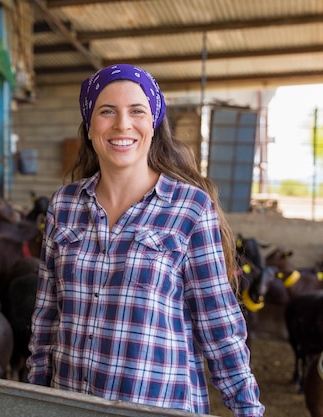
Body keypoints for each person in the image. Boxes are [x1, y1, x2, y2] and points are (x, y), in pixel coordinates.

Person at [26, 64, 265, 416]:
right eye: (107, 111)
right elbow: (46, 317)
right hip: (70, 404)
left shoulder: (190, 209)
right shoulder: (64, 204)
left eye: (136, 111)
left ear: (153, 124)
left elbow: (219, 329)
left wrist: (247, 410)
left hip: (158, 406)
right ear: (89, 127)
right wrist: (33, 398)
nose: (122, 124)